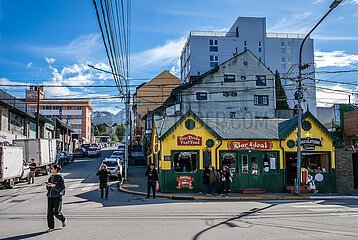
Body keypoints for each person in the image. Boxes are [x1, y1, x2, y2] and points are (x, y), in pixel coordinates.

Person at [46, 164, 66, 232]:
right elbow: (48, 188)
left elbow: (62, 187)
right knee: (49, 212)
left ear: (55, 170)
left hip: (57, 196)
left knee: (57, 212)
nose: (51, 169)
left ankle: (63, 219)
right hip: (50, 196)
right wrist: (48, 186)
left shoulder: (60, 177)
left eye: (52, 168)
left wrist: (54, 186)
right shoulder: (50, 177)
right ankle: (51, 227)